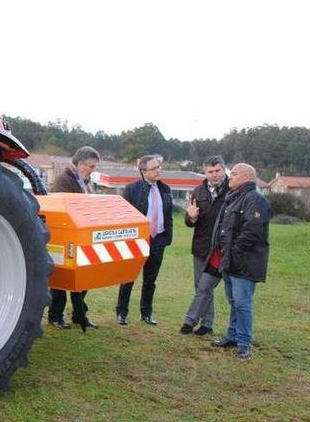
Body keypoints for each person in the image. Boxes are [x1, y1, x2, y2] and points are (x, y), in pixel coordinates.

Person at [209, 163, 270, 359]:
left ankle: (244, 343)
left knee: (243, 303)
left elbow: (252, 231)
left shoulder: (255, 199)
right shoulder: (233, 198)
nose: (230, 177)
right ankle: (232, 336)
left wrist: (234, 251)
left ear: (246, 178)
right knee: (234, 301)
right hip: (230, 260)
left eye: (233, 174)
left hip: (245, 262)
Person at [47, 146, 100, 330]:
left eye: (94, 166)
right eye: (90, 166)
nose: (92, 170)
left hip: (83, 235)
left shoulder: (88, 182)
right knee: (61, 278)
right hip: (64, 236)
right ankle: (55, 315)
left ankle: (79, 314)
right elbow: (61, 207)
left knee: (84, 277)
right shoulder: (64, 181)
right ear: (78, 163)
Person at [116, 154, 173, 326]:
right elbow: (124, 217)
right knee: (128, 277)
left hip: (159, 240)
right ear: (143, 171)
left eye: (159, 167)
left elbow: (168, 214)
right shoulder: (131, 189)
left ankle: (146, 312)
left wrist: (167, 237)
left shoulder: (165, 189)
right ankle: (122, 312)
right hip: (137, 240)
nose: (158, 170)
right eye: (154, 168)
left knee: (150, 280)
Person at [180, 156, 230, 336]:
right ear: (205, 172)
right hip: (201, 247)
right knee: (200, 286)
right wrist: (191, 217)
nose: (214, 175)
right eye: (210, 172)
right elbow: (189, 221)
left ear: (224, 169)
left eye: (217, 171)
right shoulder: (198, 191)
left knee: (205, 287)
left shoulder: (232, 190)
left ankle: (189, 321)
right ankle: (207, 324)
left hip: (221, 249)